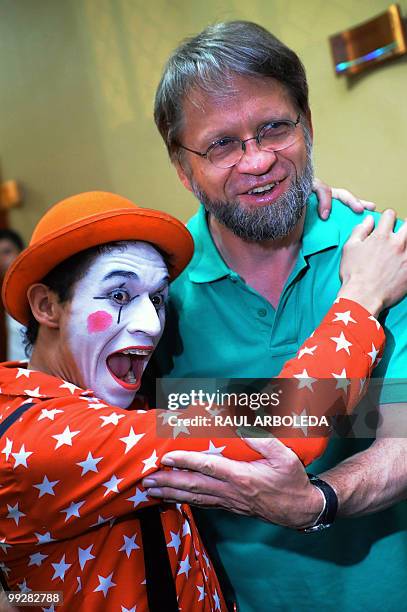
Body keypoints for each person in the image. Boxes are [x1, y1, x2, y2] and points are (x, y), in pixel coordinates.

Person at [1, 191, 406, 611]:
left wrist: (285, 203)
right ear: (47, 306)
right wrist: (363, 296)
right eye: (119, 296)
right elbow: (286, 422)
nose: (149, 325)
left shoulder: (116, 397)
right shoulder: (36, 440)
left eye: (157, 299)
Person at [143, 21, 407, 611]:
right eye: (221, 144)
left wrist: (318, 500)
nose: (257, 160)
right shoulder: (154, 295)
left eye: (274, 129)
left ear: (307, 127)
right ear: (183, 168)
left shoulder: (382, 252)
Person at [0, 229, 26, 361]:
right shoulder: (4, 290)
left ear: (21, 252)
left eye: (7, 252)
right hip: (16, 371)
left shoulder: (35, 286)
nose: (2, 259)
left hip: (42, 373)